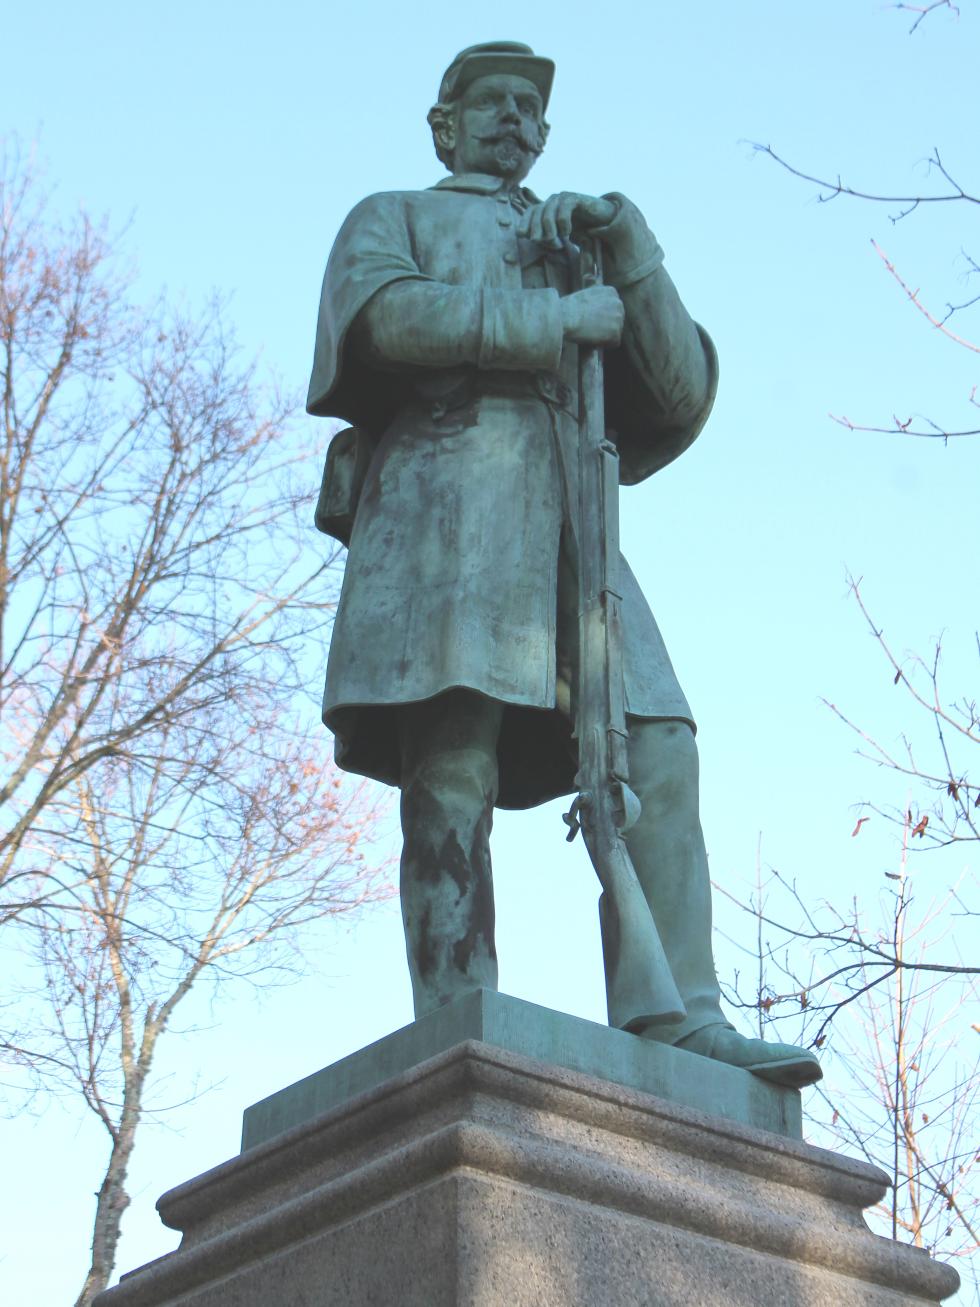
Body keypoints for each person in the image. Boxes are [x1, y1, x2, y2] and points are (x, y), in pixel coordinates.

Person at [307, 42, 820, 1087]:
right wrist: (547, 322)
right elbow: (381, 321)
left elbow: (675, 394)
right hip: (447, 510)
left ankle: (678, 1013)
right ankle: (456, 1011)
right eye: (488, 101)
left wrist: (628, 246)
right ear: (442, 125)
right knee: (452, 758)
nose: (511, 119)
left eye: (527, 108)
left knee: (657, 739)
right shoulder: (393, 214)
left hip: (573, 528)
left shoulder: (580, 244)